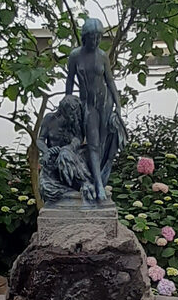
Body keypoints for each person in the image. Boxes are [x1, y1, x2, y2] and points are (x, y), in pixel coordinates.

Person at [66, 18, 127, 202]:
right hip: (88, 105)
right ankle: (99, 185)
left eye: (98, 37)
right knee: (92, 144)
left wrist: (118, 105)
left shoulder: (102, 56)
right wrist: (68, 104)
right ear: (85, 37)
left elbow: (110, 81)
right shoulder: (75, 55)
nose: (96, 41)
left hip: (105, 103)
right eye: (92, 37)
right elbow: (69, 81)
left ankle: (97, 179)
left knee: (103, 144)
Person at [37, 95, 94, 203]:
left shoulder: (74, 122)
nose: (73, 115)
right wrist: (46, 151)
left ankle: (84, 183)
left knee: (65, 153)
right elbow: (40, 139)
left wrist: (69, 148)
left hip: (71, 158)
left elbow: (78, 139)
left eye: (76, 111)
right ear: (63, 108)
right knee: (46, 189)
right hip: (53, 159)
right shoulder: (50, 119)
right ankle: (68, 195)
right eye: (71, 111)